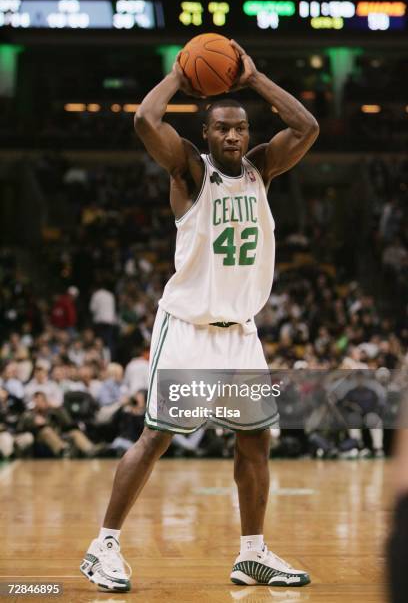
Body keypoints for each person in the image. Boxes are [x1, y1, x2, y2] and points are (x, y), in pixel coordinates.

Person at [80, 40, 319, 592]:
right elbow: (145, 118)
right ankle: (103, 547)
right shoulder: (189, 170)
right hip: (188, 329)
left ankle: (252, 554)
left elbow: (306, 127)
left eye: (240, 127)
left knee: (256, 442)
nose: (233, 135)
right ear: (207, 135)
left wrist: (254, 79)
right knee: (156, 437)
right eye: (222, 128)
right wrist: (178, 78)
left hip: (241, 335)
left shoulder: (262, 169)